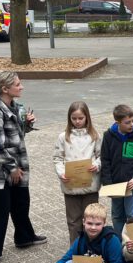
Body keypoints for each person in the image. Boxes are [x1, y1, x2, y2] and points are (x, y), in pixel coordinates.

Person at [0, 70, 45, 263]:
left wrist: (28, 125)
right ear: (5, 89)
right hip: (1, 172)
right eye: (17, 84)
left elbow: (15, 136)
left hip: (17, 168)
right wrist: (12, 168)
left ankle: (24, 237)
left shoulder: (13, 106)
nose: (21, 86)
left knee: (21, 203)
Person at [53, 101, 102, 245]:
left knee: (92, 219)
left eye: (81, 118)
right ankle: (75, 249)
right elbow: (57, 158)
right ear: (69, 119)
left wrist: (96, 165)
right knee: (74, 221)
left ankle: (92, 248)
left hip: (90, 184)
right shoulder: (63, 137)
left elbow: (101, 155)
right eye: (74, 118)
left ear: (87, 117)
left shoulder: (94, 135)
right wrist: (61, 173)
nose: (77, 121)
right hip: (71, 185)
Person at [101, 104, 133, 235]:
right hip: (115, 183)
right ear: (118, 123)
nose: (132, 124)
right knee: (117, 214)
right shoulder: (108, 136)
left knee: (131, 212)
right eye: (127, 122)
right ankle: (119, 241)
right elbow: (105, 160)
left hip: (131, 183)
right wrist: (107, 183)